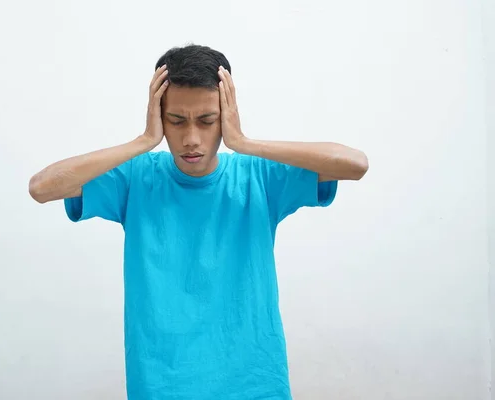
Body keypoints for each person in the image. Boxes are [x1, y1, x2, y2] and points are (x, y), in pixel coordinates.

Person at [29, 44, 368, 400]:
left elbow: (354, 164)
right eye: (176, 121)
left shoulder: (260, 177)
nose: (192, 139)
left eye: (207, 121)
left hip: (255, 382)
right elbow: (42, 187)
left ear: (227, 114)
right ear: (159, 117)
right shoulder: (135, 178)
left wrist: (245, 143)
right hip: (162, 384)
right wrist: (143, 141)